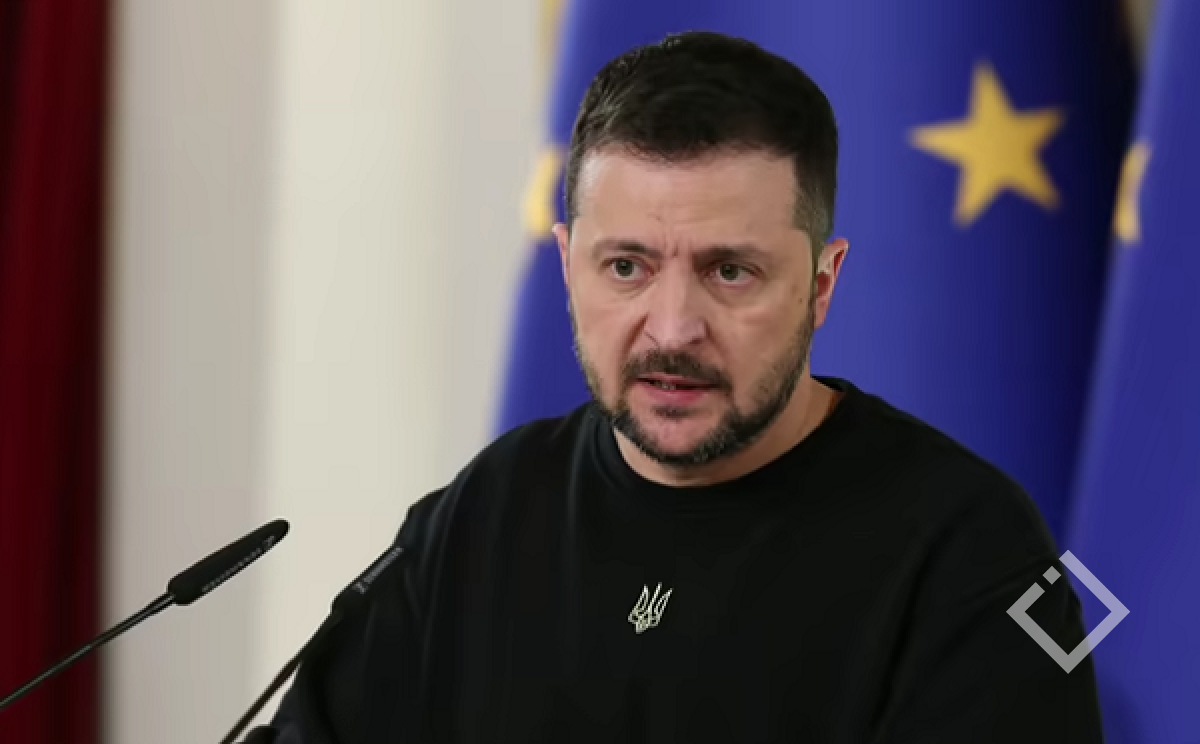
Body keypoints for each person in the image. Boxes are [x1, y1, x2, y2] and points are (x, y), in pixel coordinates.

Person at [261, 31, 1102, 743]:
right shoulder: (484, 512)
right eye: (626, 267)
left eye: (730, 272)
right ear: (568, 266)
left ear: (821, 285)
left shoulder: (971, 552)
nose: (671, 329)